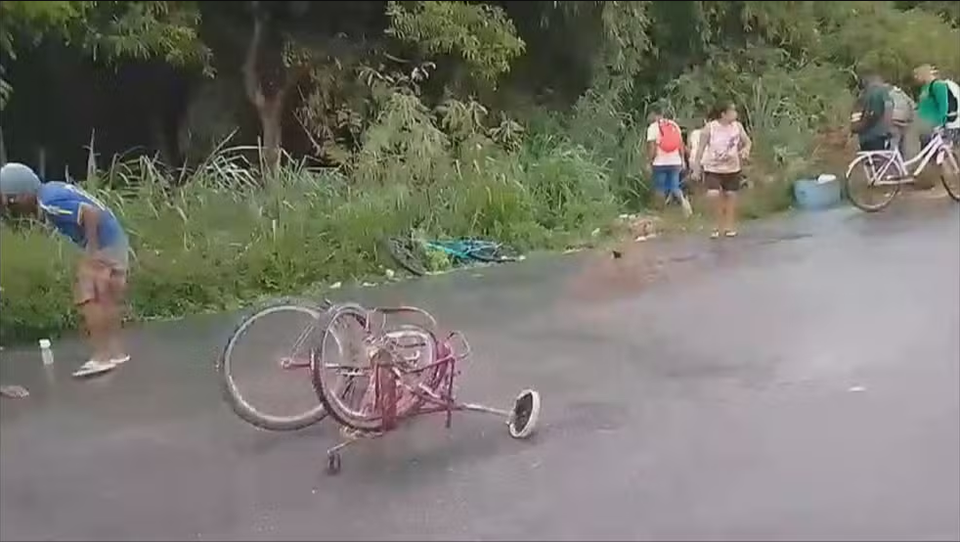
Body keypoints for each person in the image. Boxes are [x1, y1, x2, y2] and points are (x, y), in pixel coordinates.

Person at [0, 163, 131, 378]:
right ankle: (115, 352)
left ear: (21, 194)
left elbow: (90, 214)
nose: (11, 207)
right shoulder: (52, 189)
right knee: (106, 300)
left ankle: (102, 356)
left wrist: (93, 254)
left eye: (10, 199)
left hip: (105, 247)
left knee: (89, 298)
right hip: (116, 241)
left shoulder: (48, 201)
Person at [693, 102, 752, 239]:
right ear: (723, 114)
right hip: (713, 168)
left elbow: (747, 141)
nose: (735, 114)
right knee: (713, 195)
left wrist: (746, 149)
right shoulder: (710, 128)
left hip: (732, 168)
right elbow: (700, 149)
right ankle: (715, 225)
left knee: (730, 196)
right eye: (732, 111)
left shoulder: (737, 127)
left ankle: (728, 226)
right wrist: (696, 168)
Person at [645, 108, 692, 217]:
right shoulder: (674, 125)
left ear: (656, 115)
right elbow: (680, 144)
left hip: (659, 163)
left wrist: (649, 161)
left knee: (660, 188)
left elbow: (652, 147)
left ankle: (661, 212)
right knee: (675, 187)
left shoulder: (653, 127)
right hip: (675, 161)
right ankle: (685, 205)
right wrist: (682, 160)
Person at [914, 64, 960, 148]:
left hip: (931, 122)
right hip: (922, 120)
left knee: (911, 131)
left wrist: (940, 124)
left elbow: (943, 107)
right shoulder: (924, 87)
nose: (915, 77)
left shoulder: (938, 85)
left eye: (917, 75)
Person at [850, 73, 893, 152]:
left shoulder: (873, 93)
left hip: (871, 135)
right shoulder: (885, 94)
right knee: (880, 160)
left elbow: (873, 114)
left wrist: (859, 127)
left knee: (872, 160)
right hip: (880, 134)